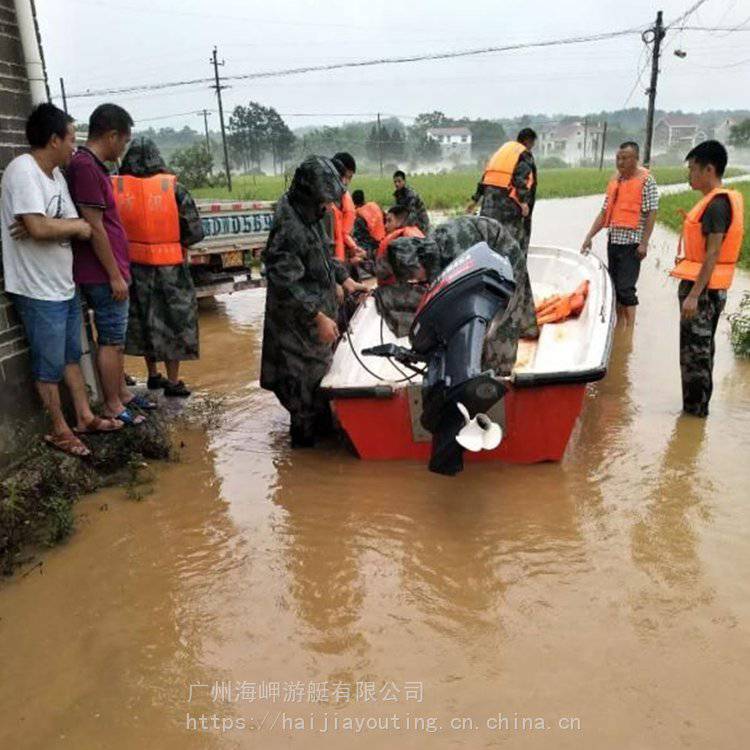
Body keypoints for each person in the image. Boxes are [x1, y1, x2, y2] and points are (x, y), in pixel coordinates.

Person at [0, 103, 122, 456]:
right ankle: (58, 428)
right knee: (49, 362)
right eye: (70, 139)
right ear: (53, 139)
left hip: (61, 285)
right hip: (37, 289)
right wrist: (63, 227)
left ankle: (84, 416)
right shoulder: (24, 171)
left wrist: (58, 227)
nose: (74, 146)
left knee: (70, 354)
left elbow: (62, 227)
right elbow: (42, 227)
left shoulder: (54, 178)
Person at [261, 156, 367, 448]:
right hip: (296, 328)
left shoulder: (310, 216)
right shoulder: (289, 227)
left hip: (314, 324)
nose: (327, 208)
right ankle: (302, 469)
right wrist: (317, 316)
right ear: (308, 195)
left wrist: (345, 279)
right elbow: (285, 283)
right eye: (323, 202)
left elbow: (322, 256)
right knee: (302, 399)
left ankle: (321, 448)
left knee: (320, 388)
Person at [66, 103, 154, 425]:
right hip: (103, 273)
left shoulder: (91, 166)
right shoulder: (86, 168)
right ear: (112, 135)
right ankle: (114, 404)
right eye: (124, 141)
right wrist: (115, 275)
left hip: (107, 270)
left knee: (115, 338)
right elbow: (94, 226)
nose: (123, 149)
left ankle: (123, 394)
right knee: (112, 339)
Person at [378, 215, 525, 376]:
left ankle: (499, 371)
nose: (418, 281)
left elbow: (471, 298)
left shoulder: (457, 253)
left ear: (418, 262)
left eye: (415, 276)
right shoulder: (431, 253)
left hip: (501, 255)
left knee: (502, 318)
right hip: (481, 256)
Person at [115, 137, 204, 397]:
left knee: (143, 322)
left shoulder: (116, 188)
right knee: (172, 323)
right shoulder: (174, 188)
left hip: (132, 269)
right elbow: (195, 231)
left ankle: (153, 376)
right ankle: (174, 382)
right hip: (170, 271)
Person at [670, 140, 744, 417]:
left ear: (708, 169)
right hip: (707, 289)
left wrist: (693, 295)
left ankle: (694, 418)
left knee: (695, 359)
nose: (689, 175)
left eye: (692, 169)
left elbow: (712, 254)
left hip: (703, 293)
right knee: (699, 354)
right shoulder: (715, 202)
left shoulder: (716, 206)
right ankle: (694, 415)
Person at [469, 129, 539, 338]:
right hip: (509, 216)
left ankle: (486, 315)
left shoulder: (501, 153)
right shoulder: (523, 154)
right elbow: (523, 178)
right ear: (529, 141)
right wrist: (525, 203)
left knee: (491, 260)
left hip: (488, 216)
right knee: (515, 264)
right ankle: (522, 324)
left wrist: (474, 199)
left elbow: (484, 180)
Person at [581, 141, 659, 327]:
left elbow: (651, 213)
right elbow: (605, 211)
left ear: (636, 159)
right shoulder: (616, 180)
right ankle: (619, 326)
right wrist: (589, 236)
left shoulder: (647, 181)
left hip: (632, 244)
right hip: (614, 241)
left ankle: (629, 330)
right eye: (618, 158)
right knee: (614, 287)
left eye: (625, 158)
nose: (620, 162)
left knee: (626, 289)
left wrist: (644, 243)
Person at [330, 152, 366, 274]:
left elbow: (345, 233)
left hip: (340, 265)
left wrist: (353, 249)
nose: (345, 182)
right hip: (327, 266)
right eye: (343, 177)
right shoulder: (321, 203)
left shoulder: (344, 200)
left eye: (349, 178)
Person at [375, 205, 425, 286]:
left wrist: (362, 262)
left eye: (389, 221)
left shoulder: (398, 242)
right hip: (423, 286)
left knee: (371, 296)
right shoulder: (416, 233)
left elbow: (382, 273)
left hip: (406, 290)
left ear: (400, 222)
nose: (386, 226)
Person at [351, 189, 385, 259]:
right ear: (364, 199)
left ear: (354, 203)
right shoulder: (375, 206)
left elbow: (360, 235)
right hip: (382, 240)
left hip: (371, 244)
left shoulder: (359, 216)